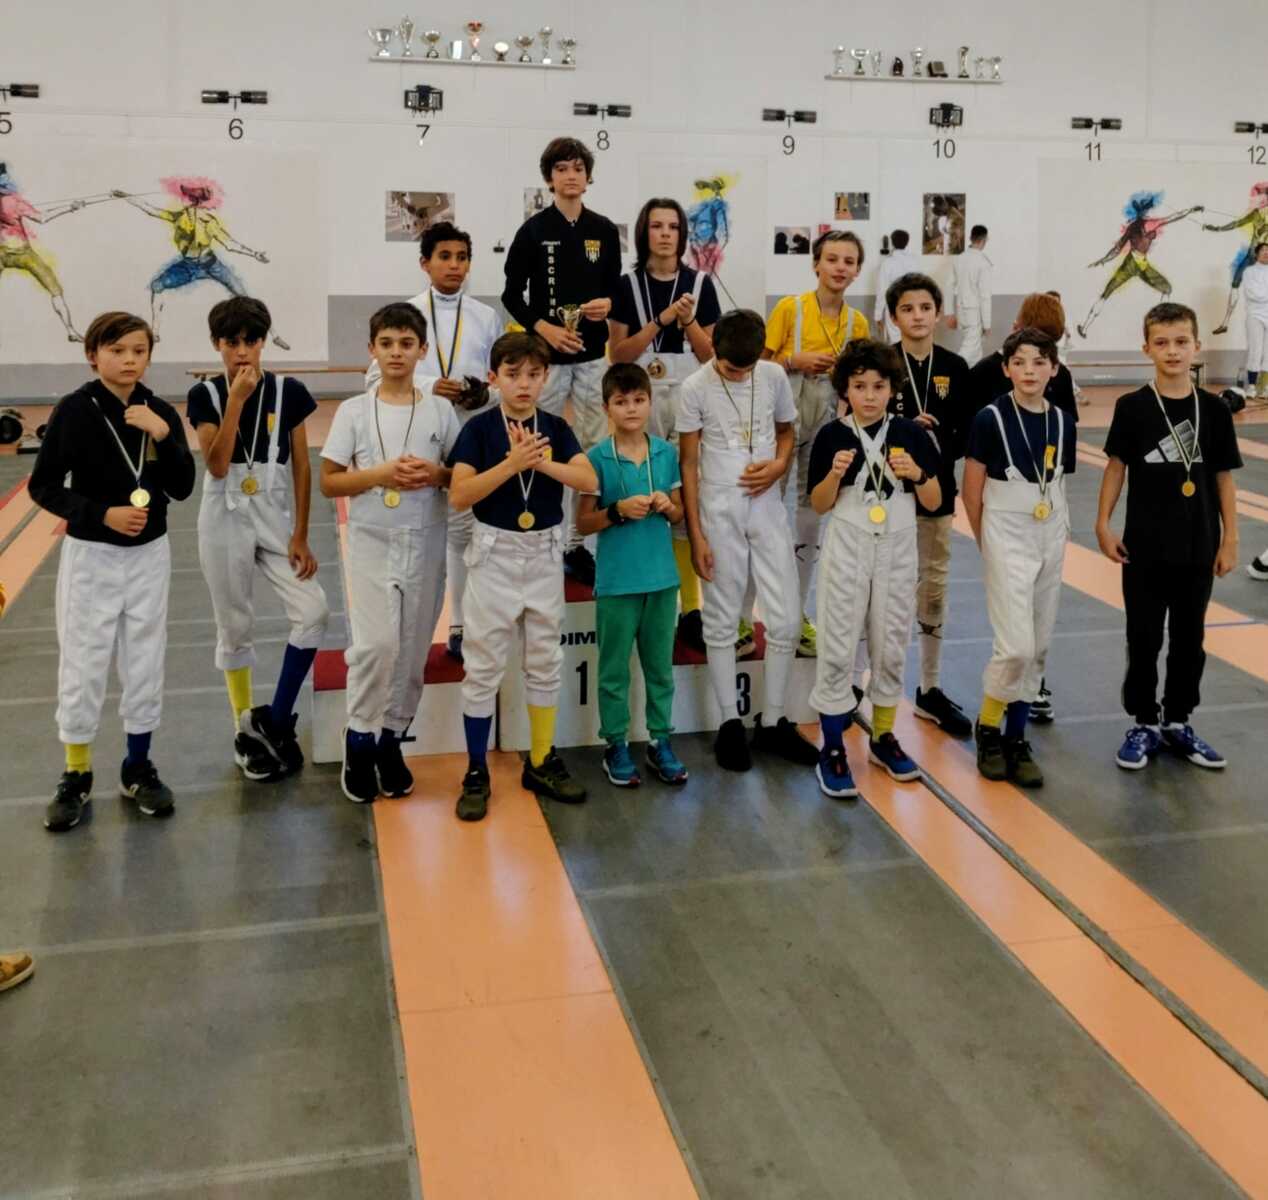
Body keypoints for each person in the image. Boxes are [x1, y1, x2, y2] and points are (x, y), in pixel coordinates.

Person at [30, 311, 196, 832]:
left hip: (150, 556)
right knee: (84, 659)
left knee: (145, 658)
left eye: (139, 351)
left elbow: (183, 486)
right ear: (93, 355)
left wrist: (165, 436)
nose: (129, 360)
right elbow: (43, 486)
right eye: (117, 350)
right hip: (93, 556)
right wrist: (101, 514)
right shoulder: (74, 410)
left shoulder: (159, 410)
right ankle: (76, 772)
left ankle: (137, 766)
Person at [448, 331, 600, 821]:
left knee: (545, 660)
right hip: (494, 555)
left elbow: (588, 479)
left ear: (546, 377)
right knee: (482, 665)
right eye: (513, 374)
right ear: (494, 378)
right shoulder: (479, 429)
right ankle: (476, 769)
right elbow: (459, 494)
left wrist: (543, 462)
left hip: (543, 556)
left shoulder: (555, 427)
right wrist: (512, 464)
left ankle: (540, 758)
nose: (524, 384)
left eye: (534, 374)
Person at [320, 303, 460, 804]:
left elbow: (459, 476)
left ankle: (390, 739)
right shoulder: (354, 411)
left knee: (412, 650)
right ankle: (359, 737)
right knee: (376, 646)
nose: (396, 353)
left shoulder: (440, 410)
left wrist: (436, 474)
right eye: (386, 344)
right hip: (372, 541)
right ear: (372, 350)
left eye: (406, 344)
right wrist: (379, 475)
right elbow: (330, 481)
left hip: (425, 540)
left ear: (423, 351)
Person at [1095, 302, 1241, 771]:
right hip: (1144, 547)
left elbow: (1223, 478)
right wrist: (1103, 523)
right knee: (1142, 638)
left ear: (1197, 346)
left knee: (1189, 639)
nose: (1172, 351)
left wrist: (1230, 538)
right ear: (1147, 349)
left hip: (1199, 546)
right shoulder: (1133, 407)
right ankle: (1143, 721)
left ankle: (1178, 720)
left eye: (1181, 342)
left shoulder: (1213, 410)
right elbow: (1116, 467)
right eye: (1162, 342)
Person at [188, 297, 329, 781]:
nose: (242, 351)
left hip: (273, 514)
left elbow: (303, 465)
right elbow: (217, 465)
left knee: (313, 611)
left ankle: (276, 719)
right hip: (223, 514)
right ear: (217, 345)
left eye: (251, 341)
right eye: (232, 342)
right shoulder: (205, 395)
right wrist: (235, 401)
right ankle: (243, 730)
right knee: (234, 625)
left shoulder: (290, 391)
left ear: (264, 341)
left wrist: (301, 533)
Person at [677, 309, 820, 772]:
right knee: (721, 617)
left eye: (745, 367)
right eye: (728, 366)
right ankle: (729, 723)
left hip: (766, 504)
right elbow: (688, 463)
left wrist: (778, 466)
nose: (736, 374)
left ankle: (773, 720)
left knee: (786, 619)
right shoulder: (694, 386)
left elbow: (786, 432)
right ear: (713, 348)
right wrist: (696, 533)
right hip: (718, 506)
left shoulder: (774, 376)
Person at [807, 339, 941, 798]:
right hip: (848, 545)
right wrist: (833, 474)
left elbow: (934, 501)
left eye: (878, 386)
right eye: (859, 386)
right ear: (845, 389)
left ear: (892, 389)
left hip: (898, 547)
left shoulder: (911, 434)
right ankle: (832, 747)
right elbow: (819, 504)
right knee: (838, 643)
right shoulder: (832, 436)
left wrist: (917, 474)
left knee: (891, 642)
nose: (869, 395)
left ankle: (883, 737)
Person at [366, 220, 500, 661]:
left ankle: (460, 625)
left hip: (469, 434)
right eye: (444, 257)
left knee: (463, 534)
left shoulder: (486, 317)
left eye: (462, 257)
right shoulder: (404, 314)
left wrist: (484, 394)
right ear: (425, 263)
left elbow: (503, 378)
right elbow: (372, 379)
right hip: (418, 436)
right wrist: (428, 385)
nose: (454, 265)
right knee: (416, 538)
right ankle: (406, 632)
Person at [501, 137, 622, 588]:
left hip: (592, 359)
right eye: (561, 169)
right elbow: (512, 294)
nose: (570, 176)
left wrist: (607, 305)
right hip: (545, 363)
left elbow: (615, 289)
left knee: (590, 450)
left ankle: (577, 544)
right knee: (537, 444)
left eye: (578, 169)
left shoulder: (604, 230)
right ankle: (536, 534)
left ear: (588, 178)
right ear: (549, 178)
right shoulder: (533, 231)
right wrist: (543, 328)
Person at [963, 328, 1075, 787]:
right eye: (1020, 362)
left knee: (1039, 644)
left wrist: (1057, 531)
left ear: (1054, 369)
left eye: (1039, 362)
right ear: (1006, 369)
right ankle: (989, 727)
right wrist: (985, 541)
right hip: (1005, 529)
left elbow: (1058, 480)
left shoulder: (1063, 420)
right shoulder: (989, 419)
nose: (1030, 370)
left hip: (1050, 527)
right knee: (1016, 646)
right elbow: (972, 490)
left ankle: (1016, 735)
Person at [608, 197, 719, 652]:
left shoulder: (701, 283)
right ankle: (654, 601)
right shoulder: (626, 285)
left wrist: (688, 322)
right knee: (647, 497)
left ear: (682, 234)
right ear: (644, 233)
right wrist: (660, 321)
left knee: (686, 497)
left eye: (673, 227)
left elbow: (711, 356)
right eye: (657, 226)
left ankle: (692, 608)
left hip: (691, 397)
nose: (666, 234)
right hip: (642, 399)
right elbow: (619, 355)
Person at [576, 363, 689, 787]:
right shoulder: (595, 459)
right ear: (606, 408)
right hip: (617, 582)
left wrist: (667, 506)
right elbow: (583, 523)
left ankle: (661, 740)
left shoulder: (665, 454)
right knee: (613, 670)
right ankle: (616, 743)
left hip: (662, 580)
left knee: (660, 668)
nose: (631, 408)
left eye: (639, 400)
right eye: (621, 402)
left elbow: (678, 513)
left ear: (650, 402)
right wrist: (617, 511)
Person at [764, 229, 870, 657]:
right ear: (816, 264)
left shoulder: (857, 323)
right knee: (764, 514)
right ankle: (749, 614)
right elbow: (759, 366)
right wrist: (794, 360)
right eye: (832, 259)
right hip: (782, 422)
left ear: (857, 270)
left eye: (849, 261)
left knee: (811, 517)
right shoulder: (790, 309)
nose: (840, 268)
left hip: (827, 424)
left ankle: (798, 612)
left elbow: (860, 381)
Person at [886, 273, 973, 737]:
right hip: (887, 497)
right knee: (887, 590)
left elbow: (966, 431)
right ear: (893, 316)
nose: (917, 316)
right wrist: (905, 433)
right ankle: (871, 685)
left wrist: (934, 438)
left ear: (938, 314)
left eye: (925, 308)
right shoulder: (883, 363)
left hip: (937, 492)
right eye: (907, 309)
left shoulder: (955, 367)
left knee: (933, 589)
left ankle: (930, 687)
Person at [1077, 192, 1203, 338]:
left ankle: (1085, 327)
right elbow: (1174, 217)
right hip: (1136, 264)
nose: (1150, 212)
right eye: (1149, 210)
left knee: (1108, 292)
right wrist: (1191, 210)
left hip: (1135, 263)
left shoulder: (1133, 226)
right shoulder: (1149, 224)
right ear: (1145, 212)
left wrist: (1104, 260)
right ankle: (1161, 327)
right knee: (1166, 289)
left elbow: (1117, 249)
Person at [1201, 181, 1268, 334]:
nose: (1260, 198)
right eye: (1260, 195)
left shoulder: (1258, 213)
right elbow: (1237, 223)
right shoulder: (1256, 213)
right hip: (1253, 255)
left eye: (1262, 195)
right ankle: (1225, 323)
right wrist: (1217, 228)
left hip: (1258, 256)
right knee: (1235, 285)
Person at [949, 224, 992, 366]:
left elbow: (949, 286)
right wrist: (987, 324)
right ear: (984, 240)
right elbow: (984, 296)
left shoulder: (959, 258)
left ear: (970, 238)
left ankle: (973, 377)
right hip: (974, 313)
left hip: (961, 310)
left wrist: (950, 313)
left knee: (976, 352)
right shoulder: (982, 262)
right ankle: (950, 370)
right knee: (969, 350)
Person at [873, 230, 917, 342]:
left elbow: (882, 291)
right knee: (911, 339)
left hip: (895, 306)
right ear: (907, 242)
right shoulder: (914, 262)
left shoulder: (888, 263)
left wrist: (878, 315)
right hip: (913, 307)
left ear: (892, 242)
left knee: (895, 341)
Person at [1239, 241, 1268, 398]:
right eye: (1263, 250)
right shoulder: (1249, 272)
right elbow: (1253, 294)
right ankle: (1251, 387)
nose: (1266, 253)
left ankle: (1265, 387)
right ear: (1257, 254)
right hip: (1255, 315)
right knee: (1255, 349)